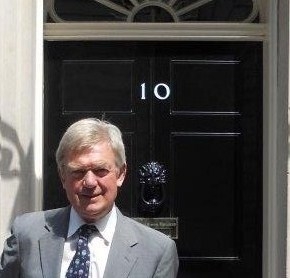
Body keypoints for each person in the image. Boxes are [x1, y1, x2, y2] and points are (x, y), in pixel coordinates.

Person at [0, 118, 179, 278]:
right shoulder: (26, 234)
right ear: (63, 176)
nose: (90, 182)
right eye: (78, 171)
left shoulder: (157, 252)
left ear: (121, 174)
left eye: (101, 170)